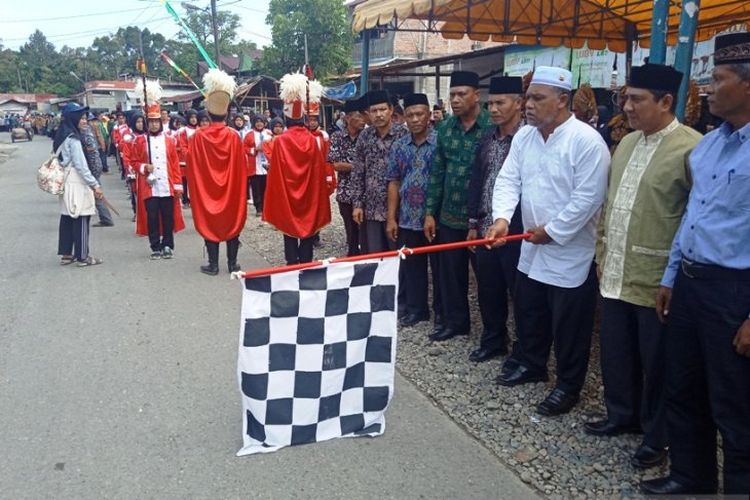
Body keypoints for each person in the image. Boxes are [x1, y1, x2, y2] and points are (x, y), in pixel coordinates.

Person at [641, 32, 750, 496]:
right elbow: (692, 216)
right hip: (690, 283)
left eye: (719, 78)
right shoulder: (707, 146)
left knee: (735, 401)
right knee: (682, 385)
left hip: (735, 291)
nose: (707, 88)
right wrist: (670, 276)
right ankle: (692, 477)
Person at [586, 64, 702, 471]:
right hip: (615, 269)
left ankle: (658, 437)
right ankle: (622, 414)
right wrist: (602, 254)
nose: (627, 107)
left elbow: (693, 218)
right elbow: (610, 205)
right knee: (617, 353)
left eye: (637, 99)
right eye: (625, 98)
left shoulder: (691, 148)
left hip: (657, 280)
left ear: (666, 102)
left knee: (659, 363)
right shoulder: (627, 144)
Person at [487, 66, 610, 416]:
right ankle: (533, 363)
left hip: (570, 250)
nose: (528, 105)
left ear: (562, 100)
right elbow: (508, 180)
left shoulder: (586, 142)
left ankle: (568, 386)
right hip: (530, 244)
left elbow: (588, 199)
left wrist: (552, 231)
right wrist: (501, 219)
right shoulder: (526, 137)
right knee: (530, 310)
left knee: (569, 326)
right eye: (527, 98)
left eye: (537, 98)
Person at [423, 71, 493, 341]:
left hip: (484, 218)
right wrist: (430, 212)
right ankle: (456, 323)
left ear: (477, 95)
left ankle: (493, 334)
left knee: (486, 280)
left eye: (462, 94)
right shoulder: (445, 129)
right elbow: (437, 172)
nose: (455, 99)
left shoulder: (490, 126)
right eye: (452, 94)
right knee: (451, 275)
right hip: (450, 216)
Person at [466, 76, 524, 362]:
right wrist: (473, 224)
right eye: (490, 104)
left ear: (518, 103)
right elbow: (477, 180)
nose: (494, 109)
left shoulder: (529, 139)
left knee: (521, 295)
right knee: (489, 289)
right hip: (488, 225)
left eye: (500, 102)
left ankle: (523, 351)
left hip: (517, 232)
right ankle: (493, 340)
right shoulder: (487, 138)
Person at [385, 93, 441, 328]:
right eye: (410, 115)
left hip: (435, 218)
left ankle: (442, 314)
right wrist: (391, 218)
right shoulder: (399, 146)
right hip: (407, 217)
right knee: (412, 268)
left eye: (420, 114)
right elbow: (394, 181)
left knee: (440, 269)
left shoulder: (440, 142)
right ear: (404, 118)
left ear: (429, 115)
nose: (415, 119)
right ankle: (418, 310)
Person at [264, 72, 331, 265]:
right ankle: (306, 262)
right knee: (308, 226)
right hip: (309, 193)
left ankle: (291, 263)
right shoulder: (312, 139)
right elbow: (318, 170)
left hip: (287, 193)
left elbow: (275, 172)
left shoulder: (280, 141)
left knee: (289, 228)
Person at [187, 69, 247, 275]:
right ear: (227, 112)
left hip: (206, 189)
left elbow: (192, 165)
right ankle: (232, 263)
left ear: (208, 112)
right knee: (232, 220)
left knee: (209, 221)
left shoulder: (198, 136)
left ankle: (213, 265)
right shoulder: (233, 136)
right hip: (231, 188)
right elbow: (242, 167)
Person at [351, 90, 408, 253]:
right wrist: (357, 205)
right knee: (375, 256)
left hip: (399, 209)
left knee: (398, 255)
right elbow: (357, 172)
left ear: (390, 110)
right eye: (374, 111)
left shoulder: (404, 135)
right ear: (369, 113)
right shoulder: (365, 136)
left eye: (382, 110)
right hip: (372, 209)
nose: (378, 114)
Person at [131, 92, 186, 259]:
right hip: (150, 185)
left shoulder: (170, 140)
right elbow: (133, 161)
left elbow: (174, 164)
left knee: (168, 216)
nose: (154, 125)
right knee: (152, 216)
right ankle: (155, 245)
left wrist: (177, 184)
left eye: (156, 122)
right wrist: (143, 167)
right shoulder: (139, 141)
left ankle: (168, 244)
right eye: (151, 122)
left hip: (167, 185)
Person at [53, 103, 104, 267]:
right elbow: (81, 166)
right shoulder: (74, 139)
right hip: (76, 181)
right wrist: (95, 185)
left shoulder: (61, 136)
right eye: (81, 118)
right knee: (82, 215)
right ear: (73, 119)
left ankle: (67, 254)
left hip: (65, 181)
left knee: (67, 216)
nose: (84, 121)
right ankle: (83, 256)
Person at [328, 97, 366, 256]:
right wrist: (359, 167)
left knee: (364, 229)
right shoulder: (337, 137)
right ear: (348, 117)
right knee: (350, 229)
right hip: (345, 192)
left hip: (365, 192)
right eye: (359, 116)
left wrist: (349, 166)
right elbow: (335, 164)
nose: (363, 120)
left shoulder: (367, 136)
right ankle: (352, 255)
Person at [80, 112, 114, 228]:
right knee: (96, 193)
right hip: (94, 165)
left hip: (92, 166)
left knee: (96, 193)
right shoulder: (86, 130)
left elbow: (92, 153)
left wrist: (93, 173)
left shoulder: (86, 132)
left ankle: (106, 218)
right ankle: (105, 217)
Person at [243, 115, 272, 217]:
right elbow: (244, 147)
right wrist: (255, 149)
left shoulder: (269, 133)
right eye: (257, 121)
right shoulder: (249, 134)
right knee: (256, 188)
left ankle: (266, 207)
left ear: (265, 123)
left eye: (261, 121)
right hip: (254, 165)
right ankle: (258, 207)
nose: (259, 123)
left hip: (267, 165)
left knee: (266, 187)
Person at [178, 110, 199, 207]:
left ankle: (195, 200)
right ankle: (185, 200)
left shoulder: (200, 129)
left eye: (195, 117)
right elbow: (183, 146)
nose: (194, 119)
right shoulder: (184, 131)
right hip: (186, 160)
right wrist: (189, 156)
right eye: (191, 117)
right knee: (185, 181)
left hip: (199, 161)